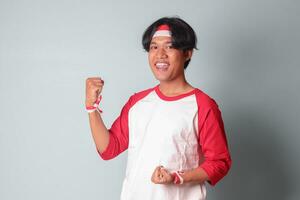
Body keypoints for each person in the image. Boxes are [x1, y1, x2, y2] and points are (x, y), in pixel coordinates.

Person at [85, 17, 232, 200]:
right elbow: (108, 148)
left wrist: (178, 178)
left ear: (187, 53)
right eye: (154, 47)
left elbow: (220, 163)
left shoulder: (202, 105)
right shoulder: (137, 102)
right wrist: (91, 107)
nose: (160, 54)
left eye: (169, 46)